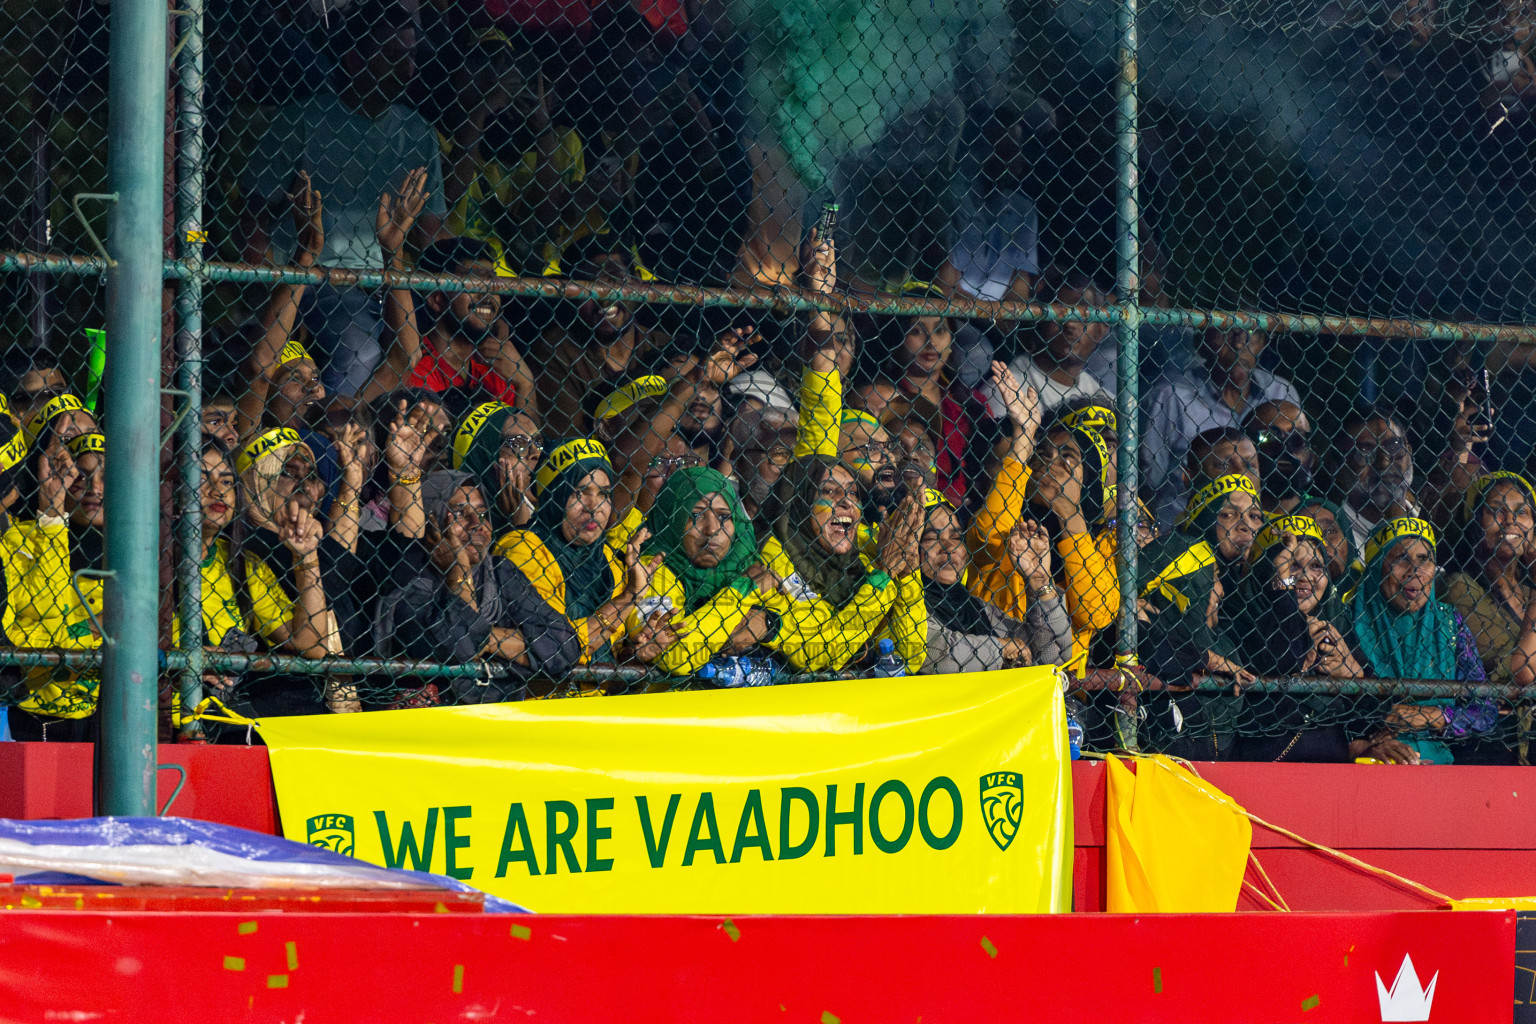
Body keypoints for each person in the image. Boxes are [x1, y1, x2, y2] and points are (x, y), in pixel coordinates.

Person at [241, 0, 448, 395]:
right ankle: (340, 436)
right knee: (361, 350)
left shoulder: (419, 132)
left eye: (410, 56)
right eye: (392, 56)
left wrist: (456, 282)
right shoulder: (302, 119)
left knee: (442, 343)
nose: (409, 69)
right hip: (322, 276)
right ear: (355, 61)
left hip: (395, 273)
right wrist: (256, 283)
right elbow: (254, 213)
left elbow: (433, 232)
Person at [374, 471, 581, 701]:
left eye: (483, 513)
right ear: (431, 521)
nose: (477, 524)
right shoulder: (414, 576)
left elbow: (566, 644)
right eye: (460, 513)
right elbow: (460, 648)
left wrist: (488, 639)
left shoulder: (500, 571)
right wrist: (459, 573)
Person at [1223, 514, 1386, 763]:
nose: (1305, 577)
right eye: (1291, 565)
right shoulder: (1238, 622)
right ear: (1264, 569)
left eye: (1316, 566)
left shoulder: (1336, 621)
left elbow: (1380, 713)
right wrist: (1283, 594)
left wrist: (1354, 676)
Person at [753, 455, 927, 673]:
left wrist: (908, 572)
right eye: (828, 491)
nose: (847, 501)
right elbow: (820, 654)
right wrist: (882, 576)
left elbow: (909, 657)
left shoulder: (866, 555)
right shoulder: (772, 561)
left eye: (853, 492)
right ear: (799, 501)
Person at [234, 427, 364, 714]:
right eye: (289, 472)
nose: (305, 484)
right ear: (258, 480)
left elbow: (336, 562)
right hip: (277, 703)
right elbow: (335, 573)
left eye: (312, 475)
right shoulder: (250, 544)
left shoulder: (307, 543)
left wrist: (351, 483)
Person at [1136, 474, 1267, 759]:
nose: (1245, 524)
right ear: (1205, 518)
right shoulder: (1192, 550)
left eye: (1256, 516)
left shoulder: (1239, 584)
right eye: (1228, 514)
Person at [1347, 517, 1497, 764]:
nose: (1414, 571)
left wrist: (1434, 716)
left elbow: (1485, 711)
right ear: (1376, 567)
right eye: (1399, 558)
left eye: (1424, 560)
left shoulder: (1450, 623)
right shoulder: (1350, 620)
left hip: (1438, 764)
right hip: (1368, 762)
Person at [495, 438, 653, 668]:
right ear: (554, 496)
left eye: (604, 494)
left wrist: (637, 652)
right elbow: (557, 646)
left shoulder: (610, 560)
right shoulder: (523, 549)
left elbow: (610, 654)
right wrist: (628, 597)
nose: (594, 506)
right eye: (579, 493)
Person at [2, 430, 106, 740]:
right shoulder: (19, 538)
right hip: (26, 717)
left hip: (104, 722)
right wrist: (52, 515)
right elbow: (43, 614)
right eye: (80, 477)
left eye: (107, 477)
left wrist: (74, 633)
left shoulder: (142, 559)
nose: (95, 489)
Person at [364, 234, 538, 416]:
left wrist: (526, 385)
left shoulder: (499, 369)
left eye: (492, 284)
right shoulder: (416, 369)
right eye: (474, 283)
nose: (486, 295)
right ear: (436, 299)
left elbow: (528, 440)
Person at [627, 467, 771, 676]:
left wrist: (771, 626)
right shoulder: (651, 568)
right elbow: (676, 657)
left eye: (724, 517)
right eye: (695, 515)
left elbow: (827, 641)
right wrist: (741, 591)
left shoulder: (749, 561)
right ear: (672, 519)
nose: (712, 529)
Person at [1141, 326, 1300, 508]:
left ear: (1263, 343)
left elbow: (1300, 460)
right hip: (1186, 518)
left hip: (1259, 515)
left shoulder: (1280, 392)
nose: (1240, 342)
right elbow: (1149, 480)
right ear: (1202, 341)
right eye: (1228, 330)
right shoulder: (1172, 395)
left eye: (1252, 331)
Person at [919, 490, 1071, 673]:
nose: (949, 547)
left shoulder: (977, 608)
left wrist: (1040, 581)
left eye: (956, 537)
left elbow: (1054, 655)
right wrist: (1001, 649)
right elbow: (937, 654)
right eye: (930, 538)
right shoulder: (904, 606)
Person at [1443, 472, 1536, 690]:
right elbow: (1522, 670)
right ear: (1475, 523)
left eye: (1521, 511)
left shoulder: (1525, 587)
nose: (1511, 521)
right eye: (1496, 510)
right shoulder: (1460, 587)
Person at [1004, 268, 1114, 416]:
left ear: (1101, 330)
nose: (1070, 325)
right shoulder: (1010, 387)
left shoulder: (1105, 401)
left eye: (1083, 316)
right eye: (1059, 313)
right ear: (1040, 319)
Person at [451, 400, 542, 537]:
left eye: (538, 442)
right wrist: (519, 520)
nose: (536, 453)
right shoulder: (474, 533)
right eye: (517, 444)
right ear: (484, 457)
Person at [1333, 407, 1418, 552]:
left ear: (1409, 453)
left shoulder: (1431, 513)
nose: (1384, 462)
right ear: (1338, 468)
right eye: (1364, 452)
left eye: (1394, 447)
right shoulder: (1338, 540)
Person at [1246, 400, 1318, 516]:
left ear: (1312, 457)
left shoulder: (1324, 514)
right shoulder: (1228, 512)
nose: (1285, 447)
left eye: (1297, 439)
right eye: (1270, 436)